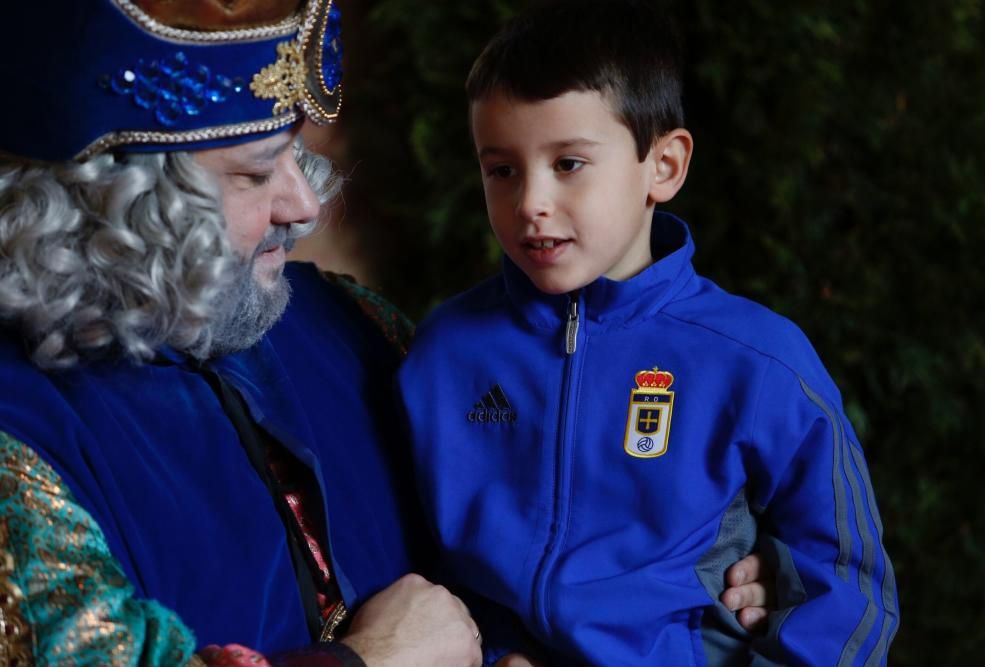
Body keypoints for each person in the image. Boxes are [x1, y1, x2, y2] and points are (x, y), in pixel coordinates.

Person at [0, 1, 770, 665]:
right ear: (113, 203)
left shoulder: (350, 324)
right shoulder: (17, 442)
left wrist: (719, 555)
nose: (303, 204)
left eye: (296, 151)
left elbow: (562, 509)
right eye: (256, 172)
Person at [396, 1, 899, 665]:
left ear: (663, 166)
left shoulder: (758, 362)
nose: (530, 203)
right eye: (502, 169)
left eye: (568, 163)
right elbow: (411, 564)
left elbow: (847, 589)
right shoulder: (442, 355)